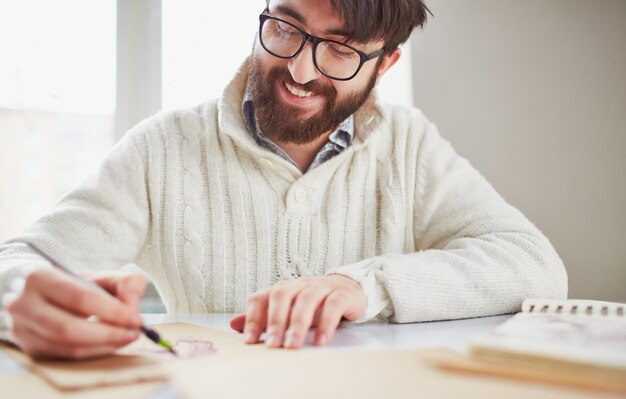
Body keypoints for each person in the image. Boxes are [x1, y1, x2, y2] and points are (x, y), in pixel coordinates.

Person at [0, 0, 567, 359]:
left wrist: (362, 286)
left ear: (385, 64)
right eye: (286, 28)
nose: (299, 71)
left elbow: (534, 266)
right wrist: (18, 295)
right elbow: (19, 260)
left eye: (340, 50)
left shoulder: (409, 143)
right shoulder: (162, 146)